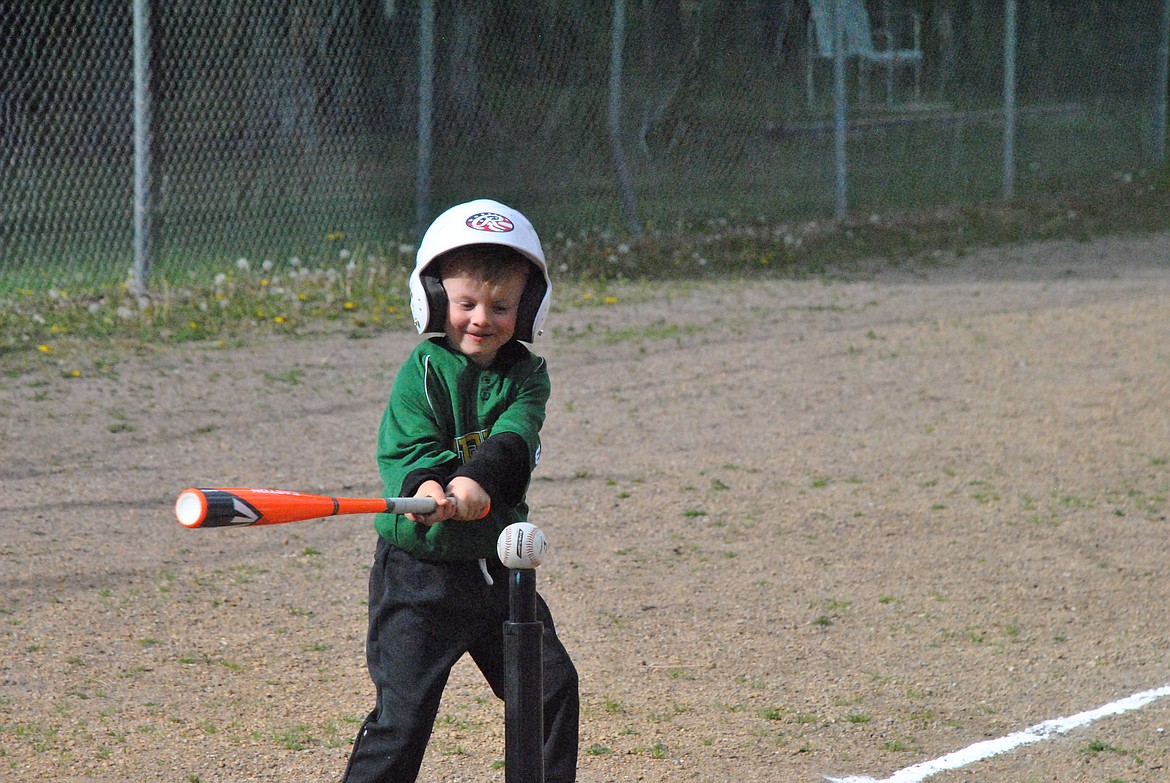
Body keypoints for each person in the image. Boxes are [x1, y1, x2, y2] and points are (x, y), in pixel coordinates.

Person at [342, 199, 579, 783]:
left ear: (527, 310)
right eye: (466, 303)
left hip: (501, 574)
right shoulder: (421, 370)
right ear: (432, 298)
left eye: (500, 307)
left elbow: (515, 436)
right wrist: (431, 483)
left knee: (550, 690)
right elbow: (408, 448)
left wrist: (476, 480)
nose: (481, 318)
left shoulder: (527, 374)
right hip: (419, 576)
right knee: (403, 721)